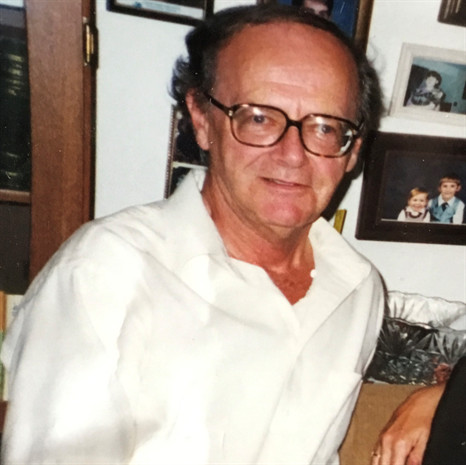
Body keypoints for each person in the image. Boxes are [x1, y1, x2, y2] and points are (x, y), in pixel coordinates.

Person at [0, 4, 441, 464]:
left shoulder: (358, 287)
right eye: (259, 118)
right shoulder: (103, 275)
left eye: (325, 127)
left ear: (352, 151)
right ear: (202, 119)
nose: (293, 155)